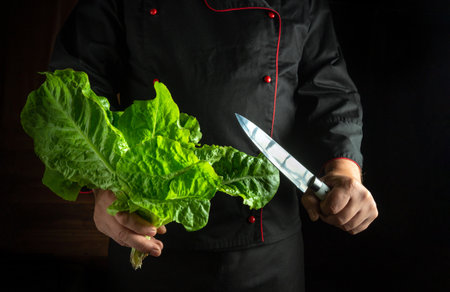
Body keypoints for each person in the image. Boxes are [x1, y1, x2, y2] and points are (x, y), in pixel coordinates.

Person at [49, 0, 378, 291]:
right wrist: (101, 184)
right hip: (146, 232)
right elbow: (74, 82)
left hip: (267, 253)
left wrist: (343, 174)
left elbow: (331, 91)